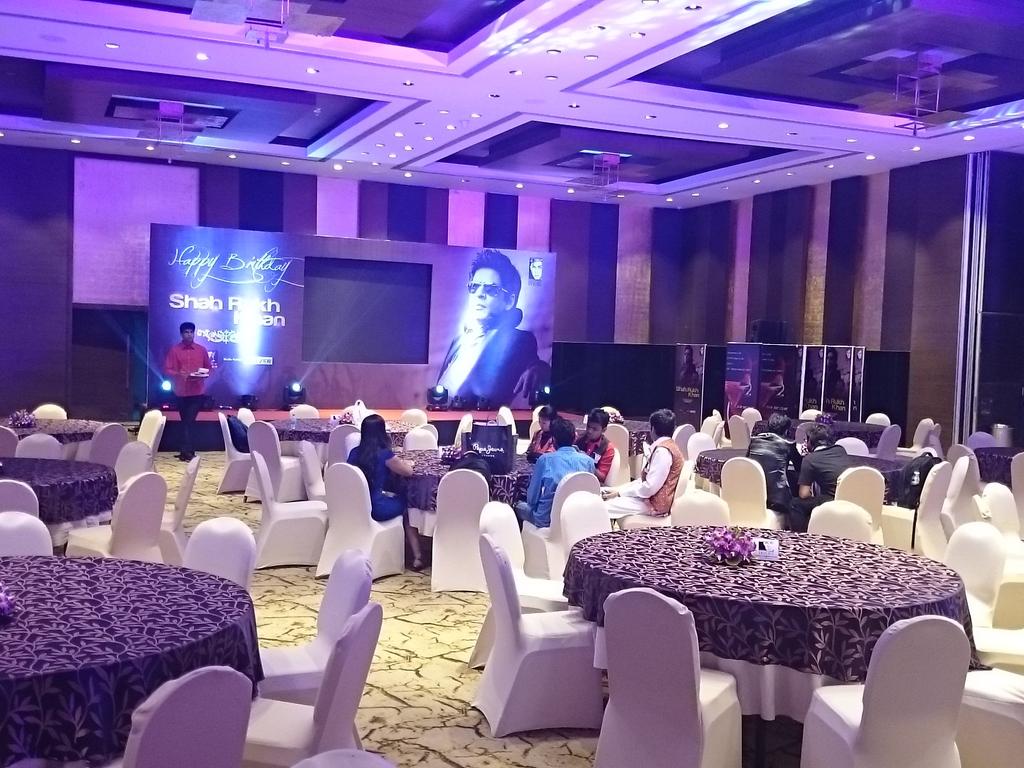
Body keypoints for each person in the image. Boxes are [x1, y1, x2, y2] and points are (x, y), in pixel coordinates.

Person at [436, 249, 550, 407]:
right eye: (474, 287)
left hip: (480, 419)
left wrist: (538, 370)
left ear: (509, 301)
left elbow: (535, 364)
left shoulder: (518, 340)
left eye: (490, 290)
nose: (479, 294)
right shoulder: (458, 341)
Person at [347, 414, 425, 570]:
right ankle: (418, 556)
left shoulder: (354, 453)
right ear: (382, 433)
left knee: (393, 496)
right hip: (377, 508)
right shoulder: (385, 455)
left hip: (356, 507)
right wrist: (408, 463)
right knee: (407, 505)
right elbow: (408, 472)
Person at [603, 409, 684, 519]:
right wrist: (618, 490)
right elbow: (644, 482)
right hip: (650, 498)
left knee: (602, 507)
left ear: (652, 429)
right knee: (603, 495)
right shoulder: (668, 446)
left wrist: (620, 493)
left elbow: (649, 488)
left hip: (654, 504)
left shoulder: (663, 452)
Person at [516, 417, 595, 529]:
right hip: (578, 517)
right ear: (574, 437)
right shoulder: (589, 462)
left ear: (553, 440)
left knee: (517, 506)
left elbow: (532, 500)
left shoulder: (545, 460)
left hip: (546, 520)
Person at [788, 423, 853, 532]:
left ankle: (800, 537)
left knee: (795, 504)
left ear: (810, 441)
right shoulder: (840, 450)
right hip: (849, 496)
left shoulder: (810, 459)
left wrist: (807, 457)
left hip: (832, 500)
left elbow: (803, 494)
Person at [163, 321, 211, 462]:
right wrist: (180, 374)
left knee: (189, 421)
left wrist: (203, 374)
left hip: (197, 392)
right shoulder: (175, 350)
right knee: (185, 421)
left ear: (194, 333)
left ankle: (186, 451)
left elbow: (208, 367)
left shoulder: (201, 350)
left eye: (191, 332)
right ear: (181, 334)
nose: (189, 334)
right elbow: (168, 369)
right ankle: (187, 451)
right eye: (186, 332)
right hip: (181, 392)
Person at [747, 413, 802, 516]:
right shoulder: (788, 445)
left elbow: (748, 462)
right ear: (786, 430)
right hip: (778, 500)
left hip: (753, 494)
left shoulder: (754, 441)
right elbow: (799, 467)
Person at [575, 408, 616, 484]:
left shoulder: (607, 448)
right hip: (575, 478)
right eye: (588, 426)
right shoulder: (578, 439)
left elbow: (602, 477)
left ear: (603, 430)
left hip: (593, 483)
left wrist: (587, 461)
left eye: (594, 429)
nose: (589, 431)